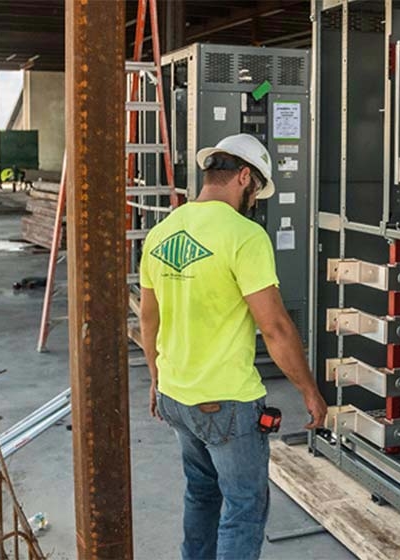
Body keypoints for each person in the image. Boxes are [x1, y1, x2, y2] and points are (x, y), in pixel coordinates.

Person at [139, 133, 327, 560]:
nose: (255, 200)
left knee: (201, 497)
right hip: (225, 403)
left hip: (176, 397)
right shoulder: (244, 236)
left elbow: (148, 318)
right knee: (244, 508)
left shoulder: (161, 232)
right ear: (245, 177)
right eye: (256, 190)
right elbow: (275, 327)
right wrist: (308, 391)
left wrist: (156, 378)